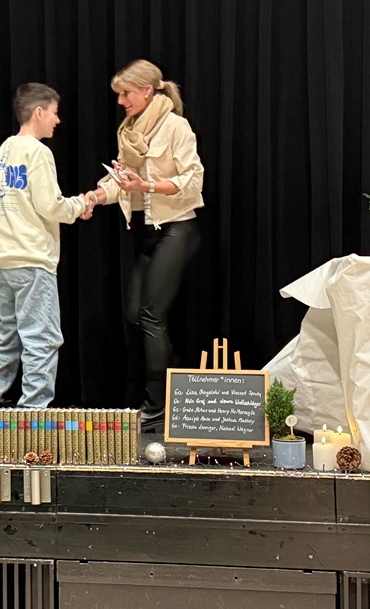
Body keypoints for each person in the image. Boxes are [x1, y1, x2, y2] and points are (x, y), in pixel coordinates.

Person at [85, 59, 204, 432]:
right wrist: (94, 197)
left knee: (151, 315)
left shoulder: (175, 127)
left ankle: (156, 407)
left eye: (126, 93)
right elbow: (121, 180)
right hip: (149, 232)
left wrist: (147, 186)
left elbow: (193, 180)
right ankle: (174, 385)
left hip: (177, 229)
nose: (121, 101)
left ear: (147, 90)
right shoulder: (131, 131)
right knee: (136, 313)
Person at [0, 83, 94, 410]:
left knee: (8, 332)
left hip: (3, 259)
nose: (57, 120)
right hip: (32, 258)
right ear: (39, 112)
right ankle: (33, 409)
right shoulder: (39, 152)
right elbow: (51, 206)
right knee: (42, 336)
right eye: (54, 113)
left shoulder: (2, 151)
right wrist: (79, 205)